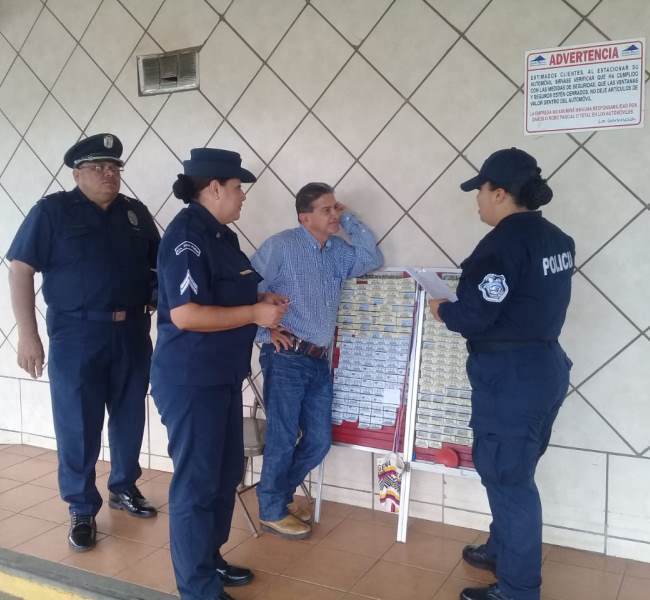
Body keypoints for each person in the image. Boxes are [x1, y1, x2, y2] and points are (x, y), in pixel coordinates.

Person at [428, 148, 574, 600]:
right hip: (544, 367)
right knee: (511, 470)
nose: (477, 200)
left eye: (481, 191)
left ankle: (518, 589)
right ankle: (501, 548)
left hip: (510, 379)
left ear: (500, 193)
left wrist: (443, 309)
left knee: (509, 479)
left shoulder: (501, 246)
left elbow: (475, 316)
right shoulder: (558, 240)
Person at [7, 134, 160, 552]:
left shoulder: (135, 214)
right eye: (98, 168)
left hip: (132, 331)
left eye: (114, 168)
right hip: (76, 335)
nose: (109, 174)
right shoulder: (52, 212)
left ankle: (123, 487)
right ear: (77, 174)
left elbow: (159, 265)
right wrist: (28, 334)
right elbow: (20, 270)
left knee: (129, 415)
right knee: (77, 421)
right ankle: (80, 506)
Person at [151, 148, 288, 600]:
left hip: (222, 376)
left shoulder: (221, 237)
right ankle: (197, 589)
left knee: (225, 473)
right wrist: (253, 312)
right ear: (213, 188)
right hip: (191, 380)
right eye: (236, 188)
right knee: (197, 483)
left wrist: (261, 301)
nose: (242, 196)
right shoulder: (187, 237)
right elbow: (186, 314)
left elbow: (225, 292)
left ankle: (208, 559)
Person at [251, 181, 384, 539]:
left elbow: (371, 258)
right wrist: (265, 331)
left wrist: (349, 219)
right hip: (286, 356)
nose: (334, 214)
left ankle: (276, 496)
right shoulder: (282, 246)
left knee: (320, 440)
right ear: (304, 217)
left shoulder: (337, 251)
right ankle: (272, 509)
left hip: (318, 360)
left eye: (335, 207)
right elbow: (247, 286)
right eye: (326, 210)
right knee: (282, 436)